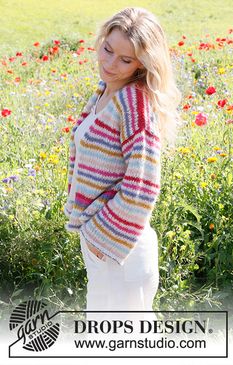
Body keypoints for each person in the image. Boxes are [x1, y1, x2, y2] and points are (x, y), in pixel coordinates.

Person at [64, 7, 181, 325]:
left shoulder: (134, 105)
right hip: (105, 245)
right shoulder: (106, 91)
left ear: (143, 63)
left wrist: (101, 238)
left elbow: (143, 186)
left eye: (125, 60)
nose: (110, 64)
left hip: (119, 249)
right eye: (108, 49)